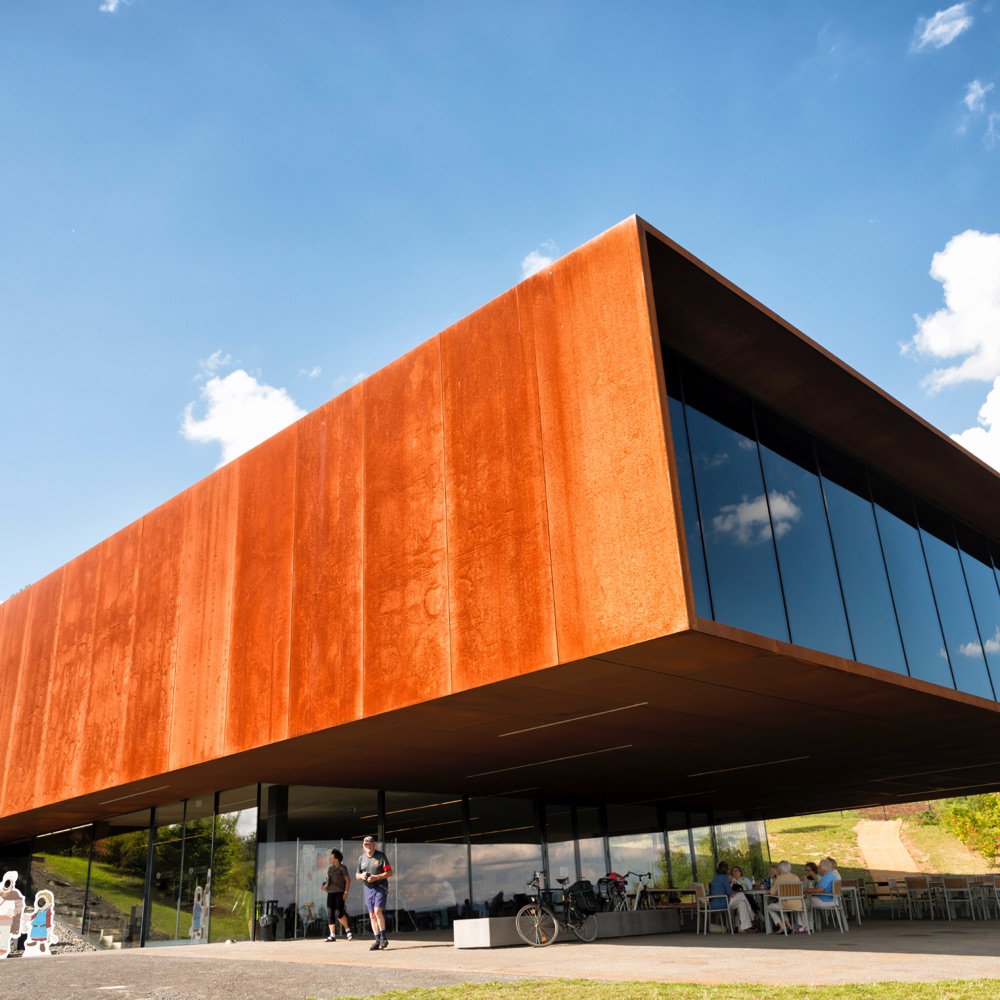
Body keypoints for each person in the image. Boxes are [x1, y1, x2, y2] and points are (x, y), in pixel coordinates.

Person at [356, 835, 392, 950]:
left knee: (377, 911)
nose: (368, 846)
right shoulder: (361, 858)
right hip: (368, 888)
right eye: (366, 844)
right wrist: (361, 876)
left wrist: (376, 877)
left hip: (380, 886)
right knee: (372, 915)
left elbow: (389, 872)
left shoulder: (381, 856)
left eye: (370, 844)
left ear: (374, 845)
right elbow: (357, 875)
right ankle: (377, 940)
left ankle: (383, 937)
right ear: (363, 846)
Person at [708, 861, 754, 933]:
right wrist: (731, 893)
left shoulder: (715, 878)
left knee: (742, 903)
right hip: (723, 902)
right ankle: (752, 916)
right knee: (741, 895)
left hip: (713, 903)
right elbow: (729, 892)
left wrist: (730, 894)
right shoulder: (724, 877)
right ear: (726, 869)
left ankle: (745, 928)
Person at [767, 860, 807, 932]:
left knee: (769, 907)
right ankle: (789, 926)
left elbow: (772, 892)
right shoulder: (796, 877)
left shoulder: (779, 878)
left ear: (780, 869)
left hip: (786, 903)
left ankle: (781, 925)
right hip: (798, 903)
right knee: (781, 904)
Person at [322, 849, 353, 942]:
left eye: (331, 857)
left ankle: (347, 929)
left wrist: (346, 892)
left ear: (336, 858)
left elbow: (348, 880)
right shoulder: (330, 869)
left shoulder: (342, 868)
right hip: (330, 893)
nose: (330, 858)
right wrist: (324, 887)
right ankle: (332, 935)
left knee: (339, 914)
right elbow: (327, 881)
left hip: (340, 893)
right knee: (330, 914)